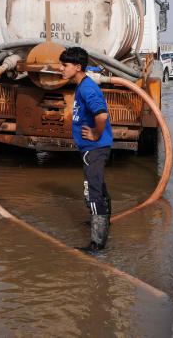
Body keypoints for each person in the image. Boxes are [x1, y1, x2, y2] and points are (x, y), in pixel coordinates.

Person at [59, 47, 113, 252]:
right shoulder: (82, 86)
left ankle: (97, 244)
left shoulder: (87, 88)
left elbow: (102, 115)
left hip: (95, 147)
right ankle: (103, 222)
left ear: (78, 67)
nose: (61, 69)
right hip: (93, 148)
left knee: (93, 191)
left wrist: (95, 135)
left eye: (65, 65)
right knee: (99, 186)